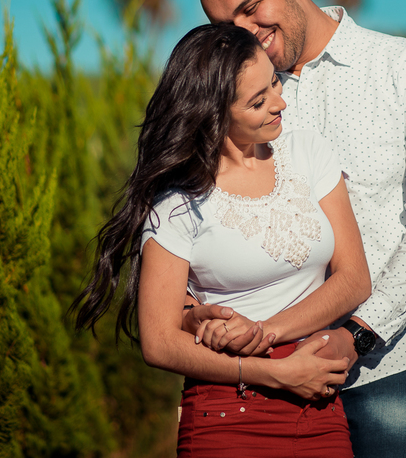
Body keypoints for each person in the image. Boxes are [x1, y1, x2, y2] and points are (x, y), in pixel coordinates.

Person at [186, 0, 406, 458]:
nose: (245, 34)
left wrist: (359, 334)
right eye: (227, 26)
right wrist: (191, 310)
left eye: (251, 8)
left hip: (390, 365)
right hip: (269, 376)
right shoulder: (231, 99)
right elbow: (199, 216)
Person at [71, 23, 372, 457]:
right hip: (227, 414)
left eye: (273, 83)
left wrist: (263, 332)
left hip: (316, 398)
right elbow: (158, 341)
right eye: (257, 101)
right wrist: (272, 372)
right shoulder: (177, 204)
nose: (280, 102)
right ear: (213, 113)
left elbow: (355, 280)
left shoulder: (309, 152)